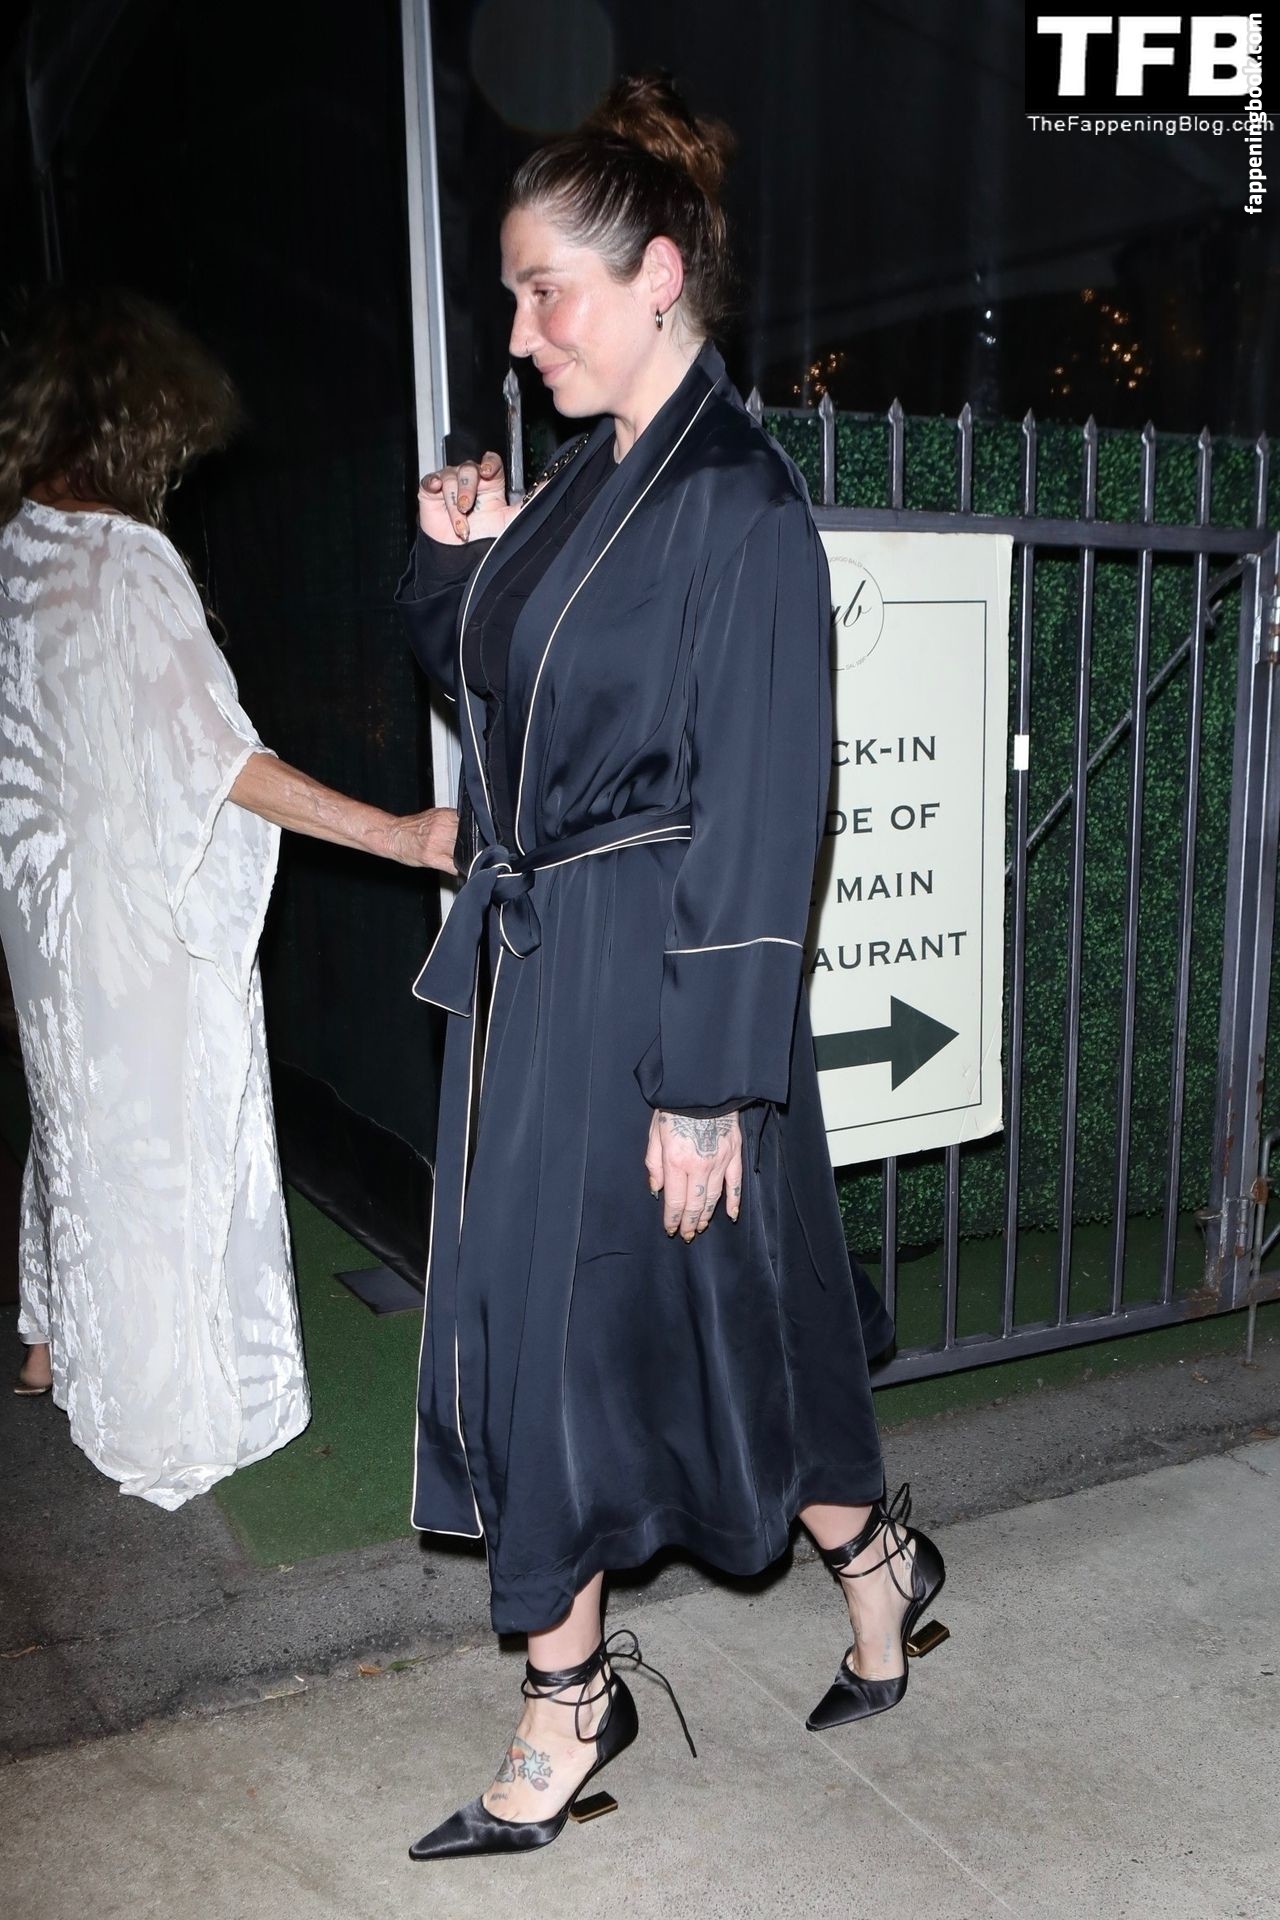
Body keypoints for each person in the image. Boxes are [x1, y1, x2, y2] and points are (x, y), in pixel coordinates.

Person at [396, 75, 945, 1860]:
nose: (520, 332)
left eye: (543, 290)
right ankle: (869, 1564)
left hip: (659, 987)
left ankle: (573, 1703)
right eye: (512, 295)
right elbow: (491, 690)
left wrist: (709, 1083)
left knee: (627, 1333)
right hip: (547, 972)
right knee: (676, 1326)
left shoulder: (737, 502)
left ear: (652, 276)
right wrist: (451, 560)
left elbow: (770, 804)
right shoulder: (583, 489)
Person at [0, 287, 456, 1507]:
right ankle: (160, 1419)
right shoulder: (123, 560)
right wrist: (401, 834)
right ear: (135, 431)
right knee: (159, 1139)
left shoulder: (18, 547)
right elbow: (220, 763)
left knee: (72, 1110)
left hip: (42, 908)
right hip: (131, 915)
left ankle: (49, 1342)